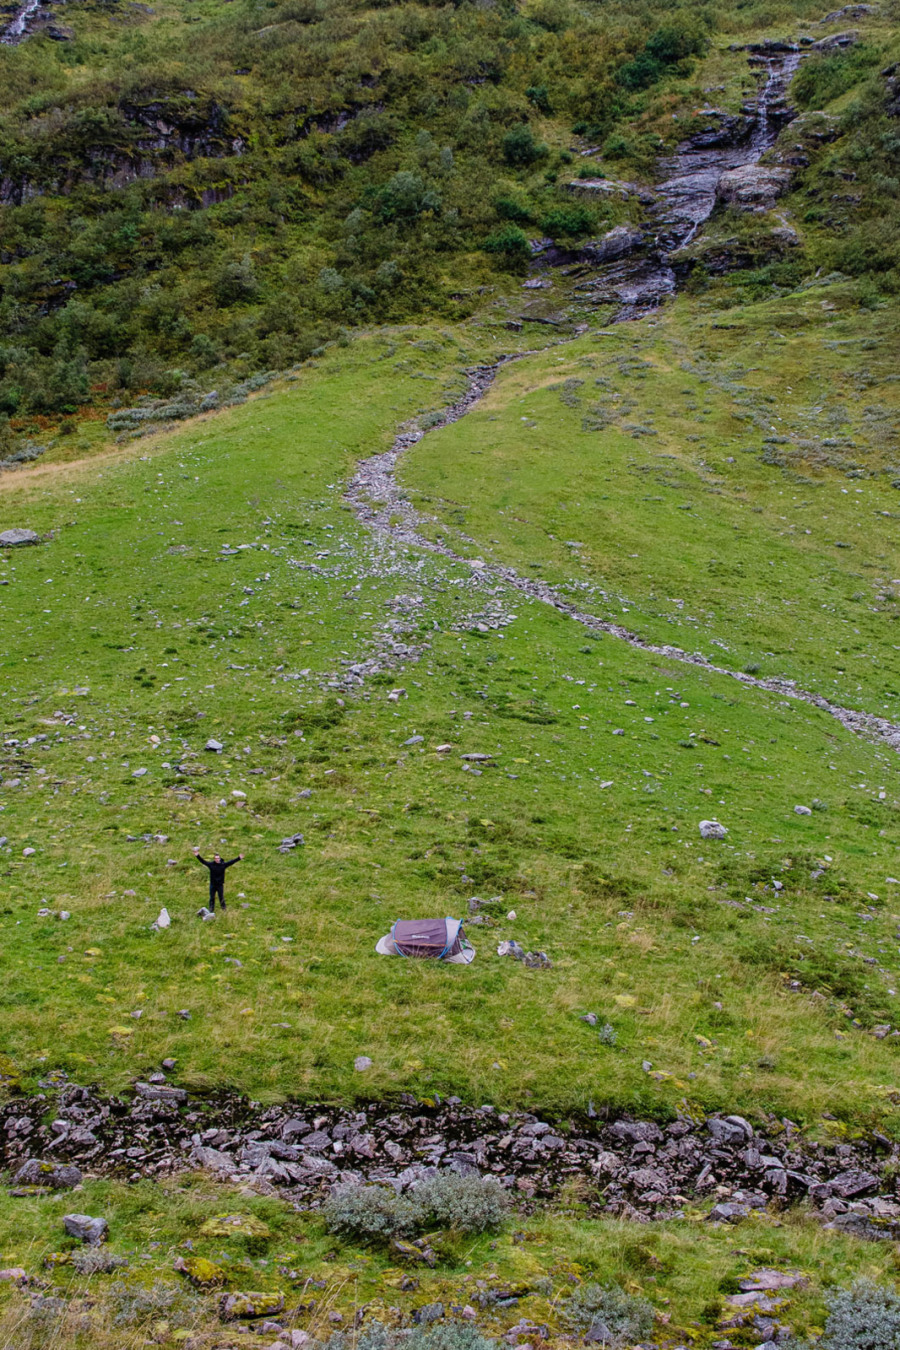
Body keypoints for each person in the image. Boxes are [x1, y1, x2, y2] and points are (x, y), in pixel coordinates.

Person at [192, 847, 243, 912]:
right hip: (213, 884)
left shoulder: (223, 865)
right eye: (215, 858)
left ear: (219, 858)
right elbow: (203, 861)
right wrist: (197, 856)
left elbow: (231, 862)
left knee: (221, 897)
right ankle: (211, 909)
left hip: (220, 885)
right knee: (212, 897)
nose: (217, 859)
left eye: (218, 858)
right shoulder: (211, 865)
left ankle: (224, 909)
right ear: (214, 859)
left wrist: (238, 858)